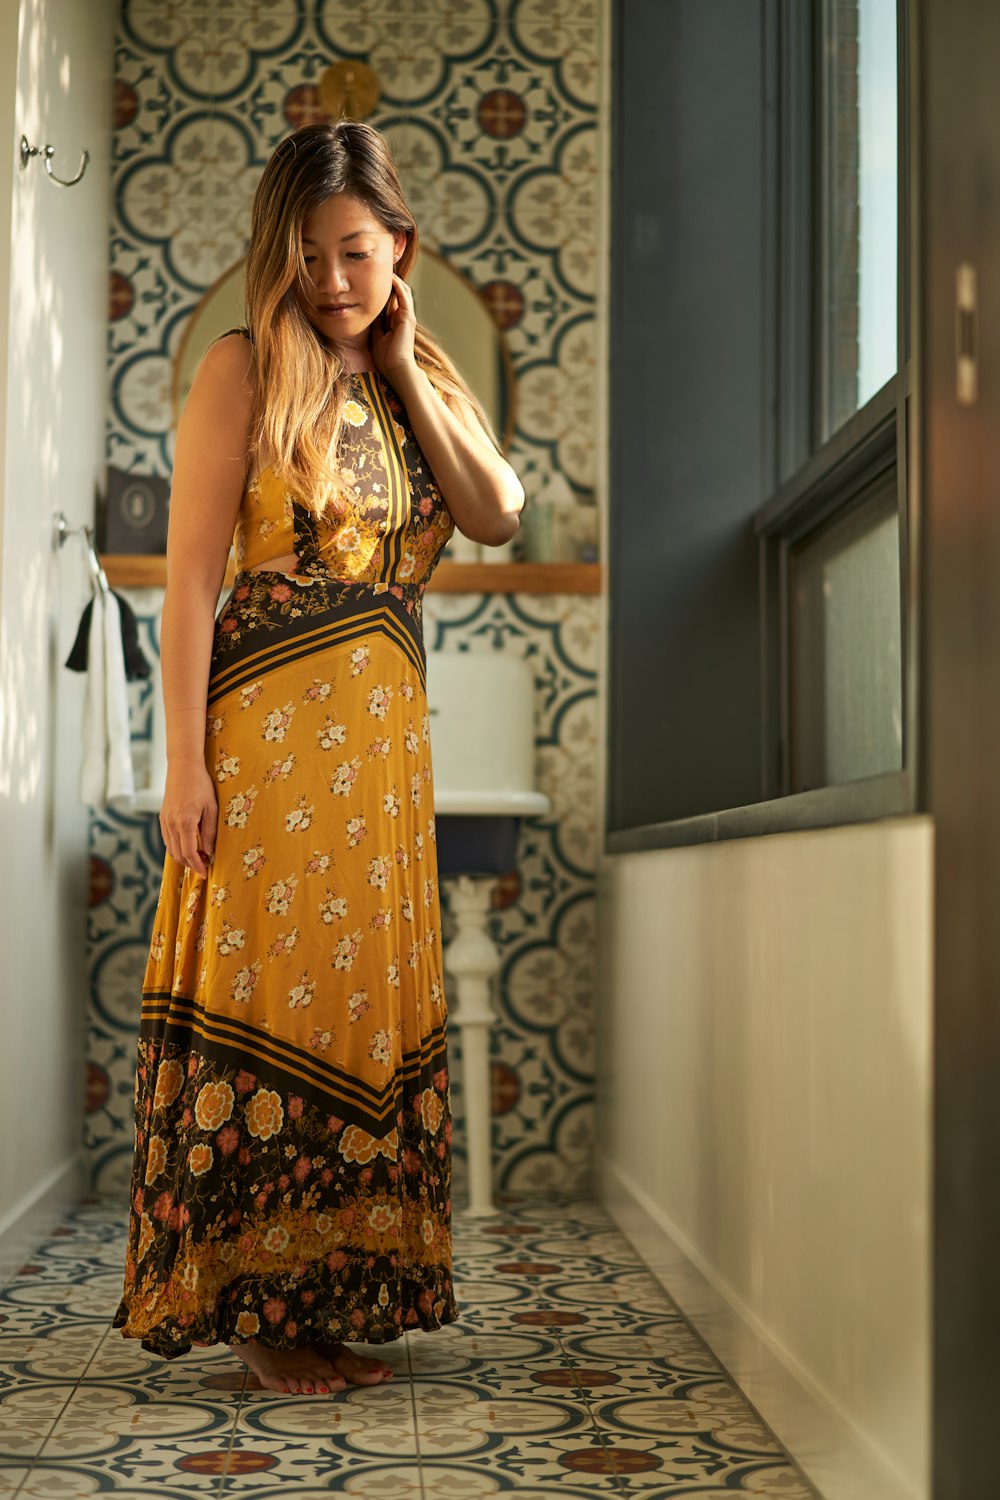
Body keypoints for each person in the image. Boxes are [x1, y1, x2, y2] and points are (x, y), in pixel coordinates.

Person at [112, 119, 524, 1396]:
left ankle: (325, 1298)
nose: (334, 279)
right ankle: (256, 1310)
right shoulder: (242, 367)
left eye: (356, 251)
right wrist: (183, 766)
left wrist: (403, 368)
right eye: (308, 255)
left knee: (354, 1015)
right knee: (263, 1003)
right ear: (277, 259)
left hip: (381, 760)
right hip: (264, 743)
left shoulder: (420, 374)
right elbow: (186, 590)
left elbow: (498, 512)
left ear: (398, 247)